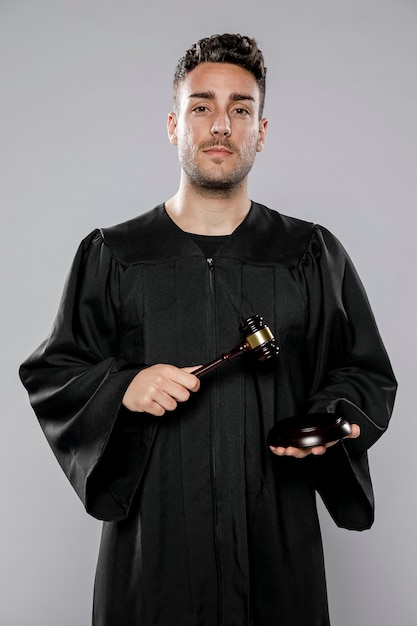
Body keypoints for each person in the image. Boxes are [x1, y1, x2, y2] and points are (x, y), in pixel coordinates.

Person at [19, 33, 396, 626]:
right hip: (155, 552)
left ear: (260, 132)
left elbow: (365, 372)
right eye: (202, 106)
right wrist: (123, 387)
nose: (221, 124)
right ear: (174, 125)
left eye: (240, 109)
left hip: (276, 541)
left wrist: (328, 418)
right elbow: (53, 373)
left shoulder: (307, 253)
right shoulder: (114, 255)